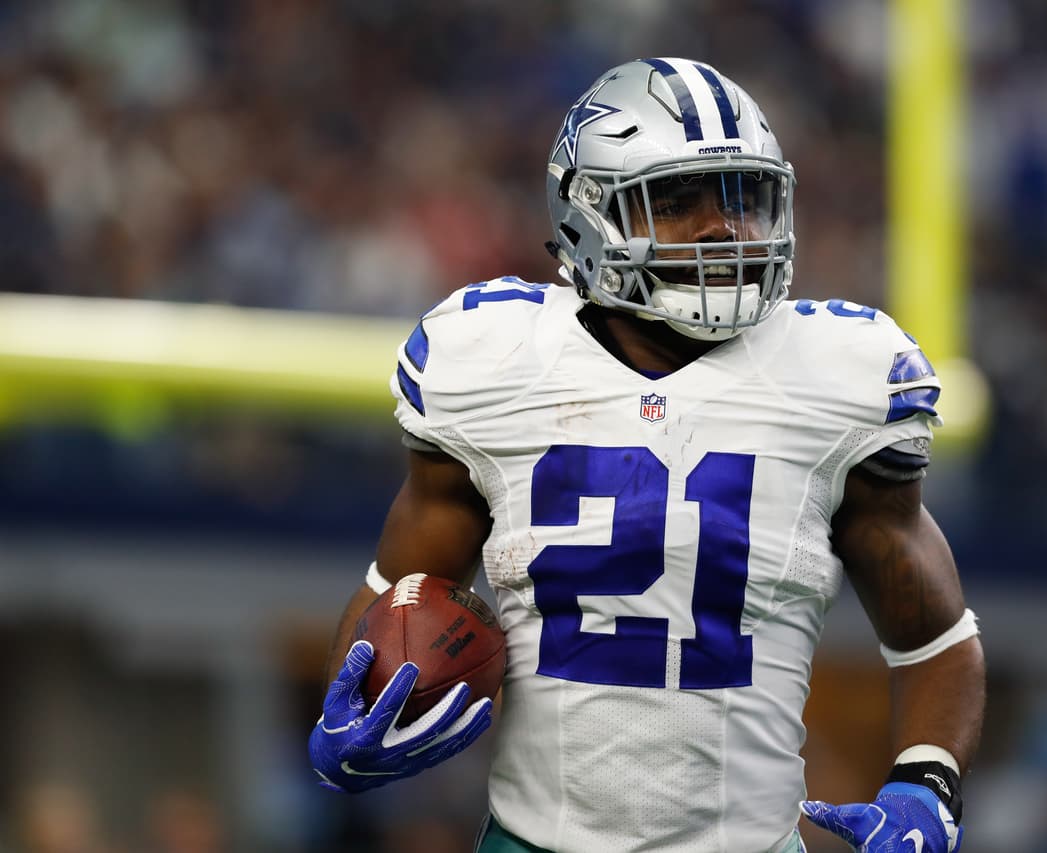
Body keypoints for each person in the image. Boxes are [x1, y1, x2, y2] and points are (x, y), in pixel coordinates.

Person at [308, 57, 985, 853]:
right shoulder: (493, 361)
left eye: (742, 198)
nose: (723, 228)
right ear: (586, 214)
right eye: (676, 200)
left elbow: (935, 638)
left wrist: (926, 784)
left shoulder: (837, 376)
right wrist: (344, 717)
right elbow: (396, 593)